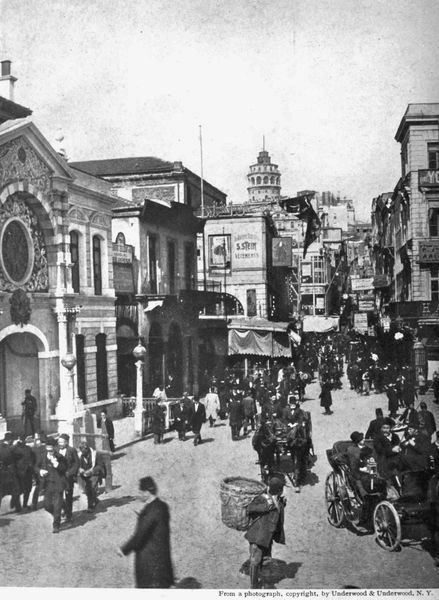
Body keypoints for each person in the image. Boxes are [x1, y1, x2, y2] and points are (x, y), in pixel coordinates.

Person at [118, 476, 174, 588]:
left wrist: (124, 549)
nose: (139, 494)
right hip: (162, 560)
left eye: (141, 491)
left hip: (150, 562)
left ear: (147, 492)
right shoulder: (162, 506)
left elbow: (139, 536)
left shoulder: (151, 512)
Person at [244, 475, 286, 589]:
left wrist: (281, 505)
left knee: (266, 561)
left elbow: (277, 518)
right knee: (255, 560)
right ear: (279, 490)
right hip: (257, 537)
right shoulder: (263, 498)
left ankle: (265, 583)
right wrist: (267, 506)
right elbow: (249, 509)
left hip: (267, 538)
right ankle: (253, 586)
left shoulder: (278, 500)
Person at [34, 437, 67, 533]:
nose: (50, 452)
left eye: (51, 450)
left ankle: (56, 525)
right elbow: (35, 466)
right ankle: (60, 512)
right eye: (48, 450)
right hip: (47, 484)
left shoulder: (60, 457)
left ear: (55, 448)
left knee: (57, 505)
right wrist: (40, 471)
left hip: (58, 484)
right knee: (47, 506)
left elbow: (64, 469)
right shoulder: (42, 456)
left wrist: (56, 464)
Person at [78, 441, 106, 512]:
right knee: (87, 490)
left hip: (94, 474)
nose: (83, 454)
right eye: (82, 452)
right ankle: (95, 500)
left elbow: (100, 466)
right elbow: (77, 465)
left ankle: (90, 506)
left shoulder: (96, 454)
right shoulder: (80, 455)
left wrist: (91, 471)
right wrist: (80, 469)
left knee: (92, 487)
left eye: (84, 452)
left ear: (87, 449)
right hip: (85, 475)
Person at [57, 433, 79, 523]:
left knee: (69, 497)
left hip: (68, 478)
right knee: (58, 496)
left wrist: (70, 473)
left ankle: (69, 515)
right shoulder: (56, 450)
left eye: (62, 442)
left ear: (66, 442)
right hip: (58, 478)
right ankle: (64, 510)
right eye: (59, 442)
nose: (60, 444)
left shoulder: (72, 450)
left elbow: (76, 463)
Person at [0, 432, 22, 512]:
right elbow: (6, 455)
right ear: (10, 440)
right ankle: (17, 506)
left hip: (7, 472)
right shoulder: (4, 448)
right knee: (14, 489)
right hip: (7, 472)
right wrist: (14, 446)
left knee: (14, 490)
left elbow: (18, 455)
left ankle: (17, 507)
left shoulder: (5, 446)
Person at [13, 435, 35, 511]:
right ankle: (24, 505)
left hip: (18, 472)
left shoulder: (14, 448)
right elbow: (32, 459)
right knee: (27, 489)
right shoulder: (28, 448)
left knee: (18, 489)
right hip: (26, 471)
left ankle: (17, 506)